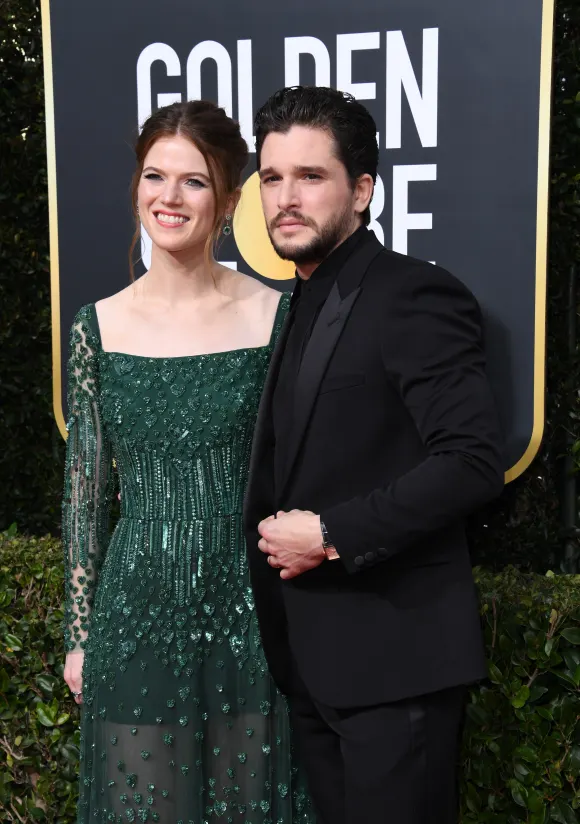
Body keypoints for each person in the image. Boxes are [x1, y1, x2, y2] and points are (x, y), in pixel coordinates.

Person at [243, 86, 505, 824]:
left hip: (395, 666)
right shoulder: (297, 302)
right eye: (271, 178)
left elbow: (471, 460)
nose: (285, 199)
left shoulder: (412, 294)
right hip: (314, 666)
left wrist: (329, 534)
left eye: (310, 176)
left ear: (361, 190)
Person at [62, 100, 314, 823]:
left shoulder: (274, 316)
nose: (169, 198)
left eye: (194, 181)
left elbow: (298, 471)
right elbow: (84, 496)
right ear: (137, 187)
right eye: (154, 176)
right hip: (134, 613)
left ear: (230, 198)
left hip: (247, 611)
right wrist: (80, 637)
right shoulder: (97, 326)